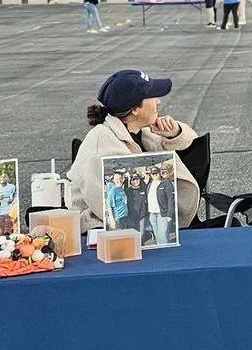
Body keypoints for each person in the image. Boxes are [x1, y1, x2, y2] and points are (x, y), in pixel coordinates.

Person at [66, 68, 202, 230]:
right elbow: (112, 209)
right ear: (135, 109)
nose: (158, 101)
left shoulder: (141, 131)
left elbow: (195, 144)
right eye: (152, 96)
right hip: (104, 230)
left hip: (150, 222)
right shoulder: (103, 145)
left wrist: (174, 134)